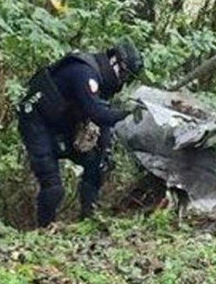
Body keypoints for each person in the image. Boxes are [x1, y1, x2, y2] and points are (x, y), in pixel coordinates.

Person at [17, 38, 143, 227]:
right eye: (124, 74)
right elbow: (97, 113)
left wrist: (104, 150)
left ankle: (88, 219)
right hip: (37, 123)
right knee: (53, 187)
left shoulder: (100, 79)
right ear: (115, 62)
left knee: (98, 164)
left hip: (61, 124)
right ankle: (44, 230)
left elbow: (102, 119)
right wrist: (129, 114)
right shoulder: (84, 72)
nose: (123, 81)